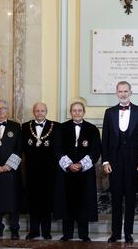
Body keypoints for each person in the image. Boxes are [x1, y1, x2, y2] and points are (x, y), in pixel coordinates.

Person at [102, 81, 138, 243]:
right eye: (120, 91)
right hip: (114, 161)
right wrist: (105, 161)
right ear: (117, 93)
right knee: (115, 199)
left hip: (133, 161)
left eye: (125, 91)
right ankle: (115, 233)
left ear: (131, 92)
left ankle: (128, 233)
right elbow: (105, 139)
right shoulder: (109, 112)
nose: (123, 94)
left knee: (130, 199)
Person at [54, 100, 100, 242]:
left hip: (84, 173)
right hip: (66, 172)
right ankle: (67, 234)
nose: (77, 113)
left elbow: (96, 150)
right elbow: (57, 148)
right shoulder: (61, 128)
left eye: (80, 110)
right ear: (70, 112)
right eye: (74, 110)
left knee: (84, 202)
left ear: (84, 112)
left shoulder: (92, 129)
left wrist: (80, 164)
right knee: (66, 202)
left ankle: (83, 234)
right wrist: (69, 164)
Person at [22, 102, 60, 240]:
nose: (39, 113)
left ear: (46, 111)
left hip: (49, 171)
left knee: (47, 200)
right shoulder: (25, 127)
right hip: (31, 170)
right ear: (33, 112)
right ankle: (33, 231)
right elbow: (23, 148)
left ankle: (46, 231)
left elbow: (57, 148)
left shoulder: (55, 126)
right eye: (37, 110)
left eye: (42, 110)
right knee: (33, 201)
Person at [0, 99, 22, 240]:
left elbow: (19, 149)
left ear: (7, 110)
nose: (0, 111)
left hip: (11, 171)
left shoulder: (16, 127)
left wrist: (9, 165)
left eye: (3, 108)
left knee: (12, 200)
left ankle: (15, 230)